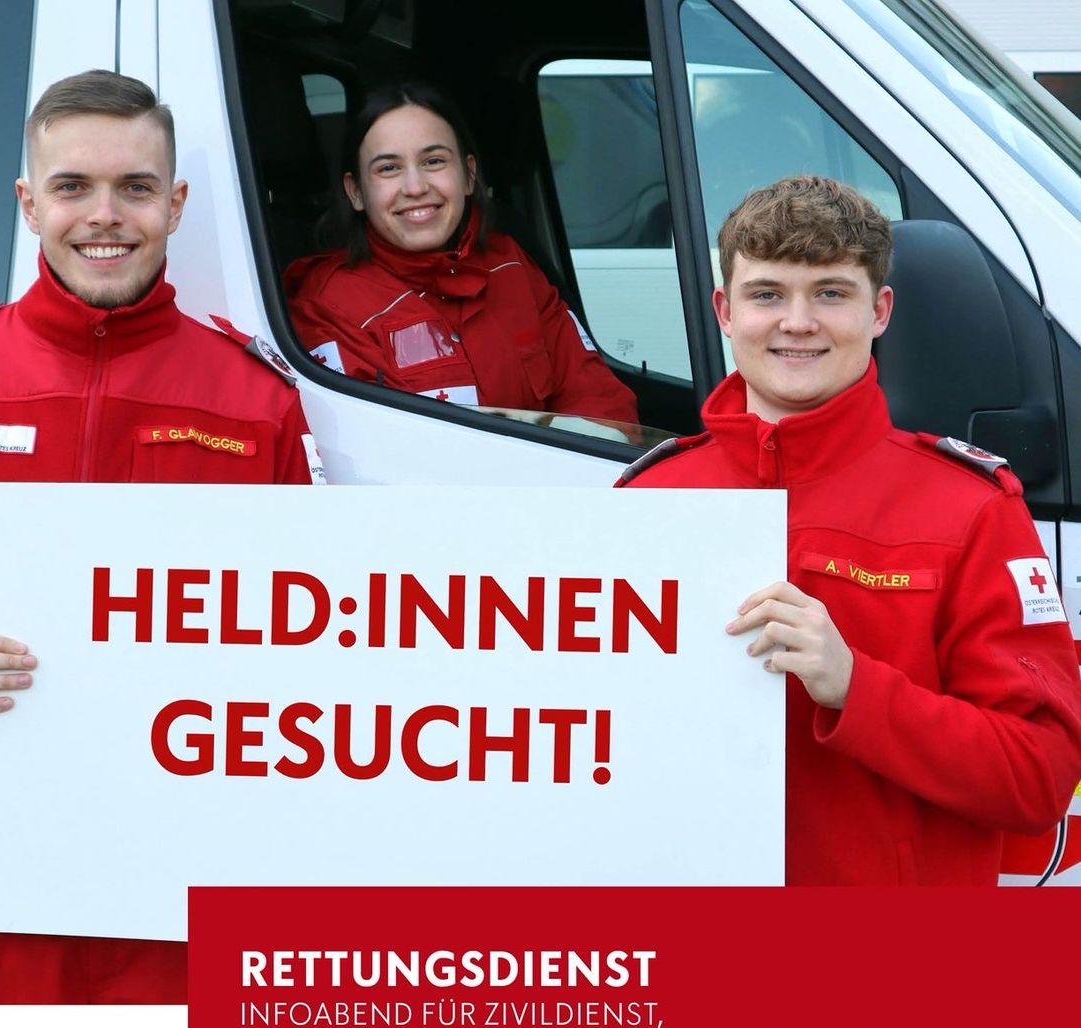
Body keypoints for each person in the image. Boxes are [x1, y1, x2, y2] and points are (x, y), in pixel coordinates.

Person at [0, 71, 323, 1003]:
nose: (104, 215)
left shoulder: (255, 403)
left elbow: (312, 650)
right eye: (73, 186)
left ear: (175, 204)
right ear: (29, 204)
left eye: (135, 187)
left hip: (174, 903)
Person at [619, 175, 1081, 885]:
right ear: (725, 311)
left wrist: (856, 688)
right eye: (767, 294)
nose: (798, 322)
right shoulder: (647, 498)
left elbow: (1039, 776)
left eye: (831, 293)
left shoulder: (970, 509)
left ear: (880, 310)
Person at [284, 82, 638, 435]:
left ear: (469, 175)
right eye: (389, 168)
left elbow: (602, 406)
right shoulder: (327, 306)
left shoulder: (511, 266)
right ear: (356, 192)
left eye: (433, 161)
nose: (415, 187)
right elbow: (365, 448)